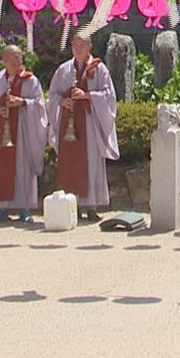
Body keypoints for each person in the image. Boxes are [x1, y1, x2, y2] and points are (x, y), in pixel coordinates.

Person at [46, 31, 117, 221]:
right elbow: (52, 95)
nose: (78, 48)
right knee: (69, 163)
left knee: (91, 162)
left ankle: (91, 206)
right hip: (67, 123)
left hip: (90, 122)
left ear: (90, 46)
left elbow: (109, 97)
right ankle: (72, 205)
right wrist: (61, 101)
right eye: (75, 45)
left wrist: (88, 96)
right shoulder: (63, 70)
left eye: (82, 45)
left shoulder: (99, 69)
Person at [0, 44, 48, 222]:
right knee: (1, 167)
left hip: (24, 131)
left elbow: (40, 104)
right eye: (10, 57)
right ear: (3, 60)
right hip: (1, 132)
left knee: (23, 167)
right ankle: (2, 208)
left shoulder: (30, 81)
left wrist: (23, 102)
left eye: (17, 57)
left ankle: (24, 208)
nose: (14, 61)